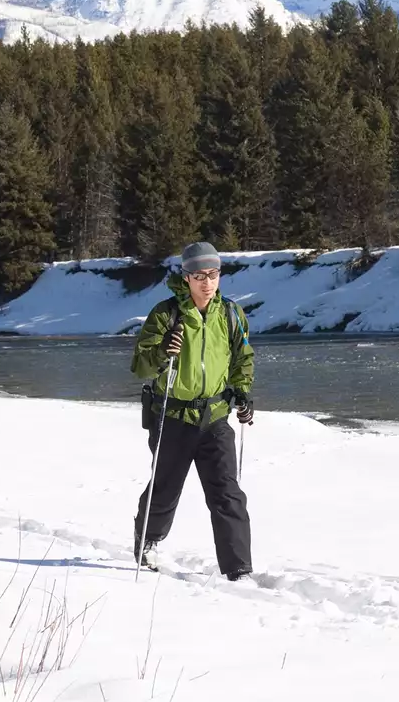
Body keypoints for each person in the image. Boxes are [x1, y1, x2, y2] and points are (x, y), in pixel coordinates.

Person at [132, 241, 255, 580]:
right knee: (165, 487)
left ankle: (238, 569)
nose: (207, 282)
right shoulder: (165, 314)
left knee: (227, 493)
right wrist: (162, 351)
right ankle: (148, 542)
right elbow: (141, 366)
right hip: (172, 416)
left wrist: (242, 392)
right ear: (185, 277)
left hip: (215, 417)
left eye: (213, 274)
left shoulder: (231, 314)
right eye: (199, 275)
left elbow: (243, 358)